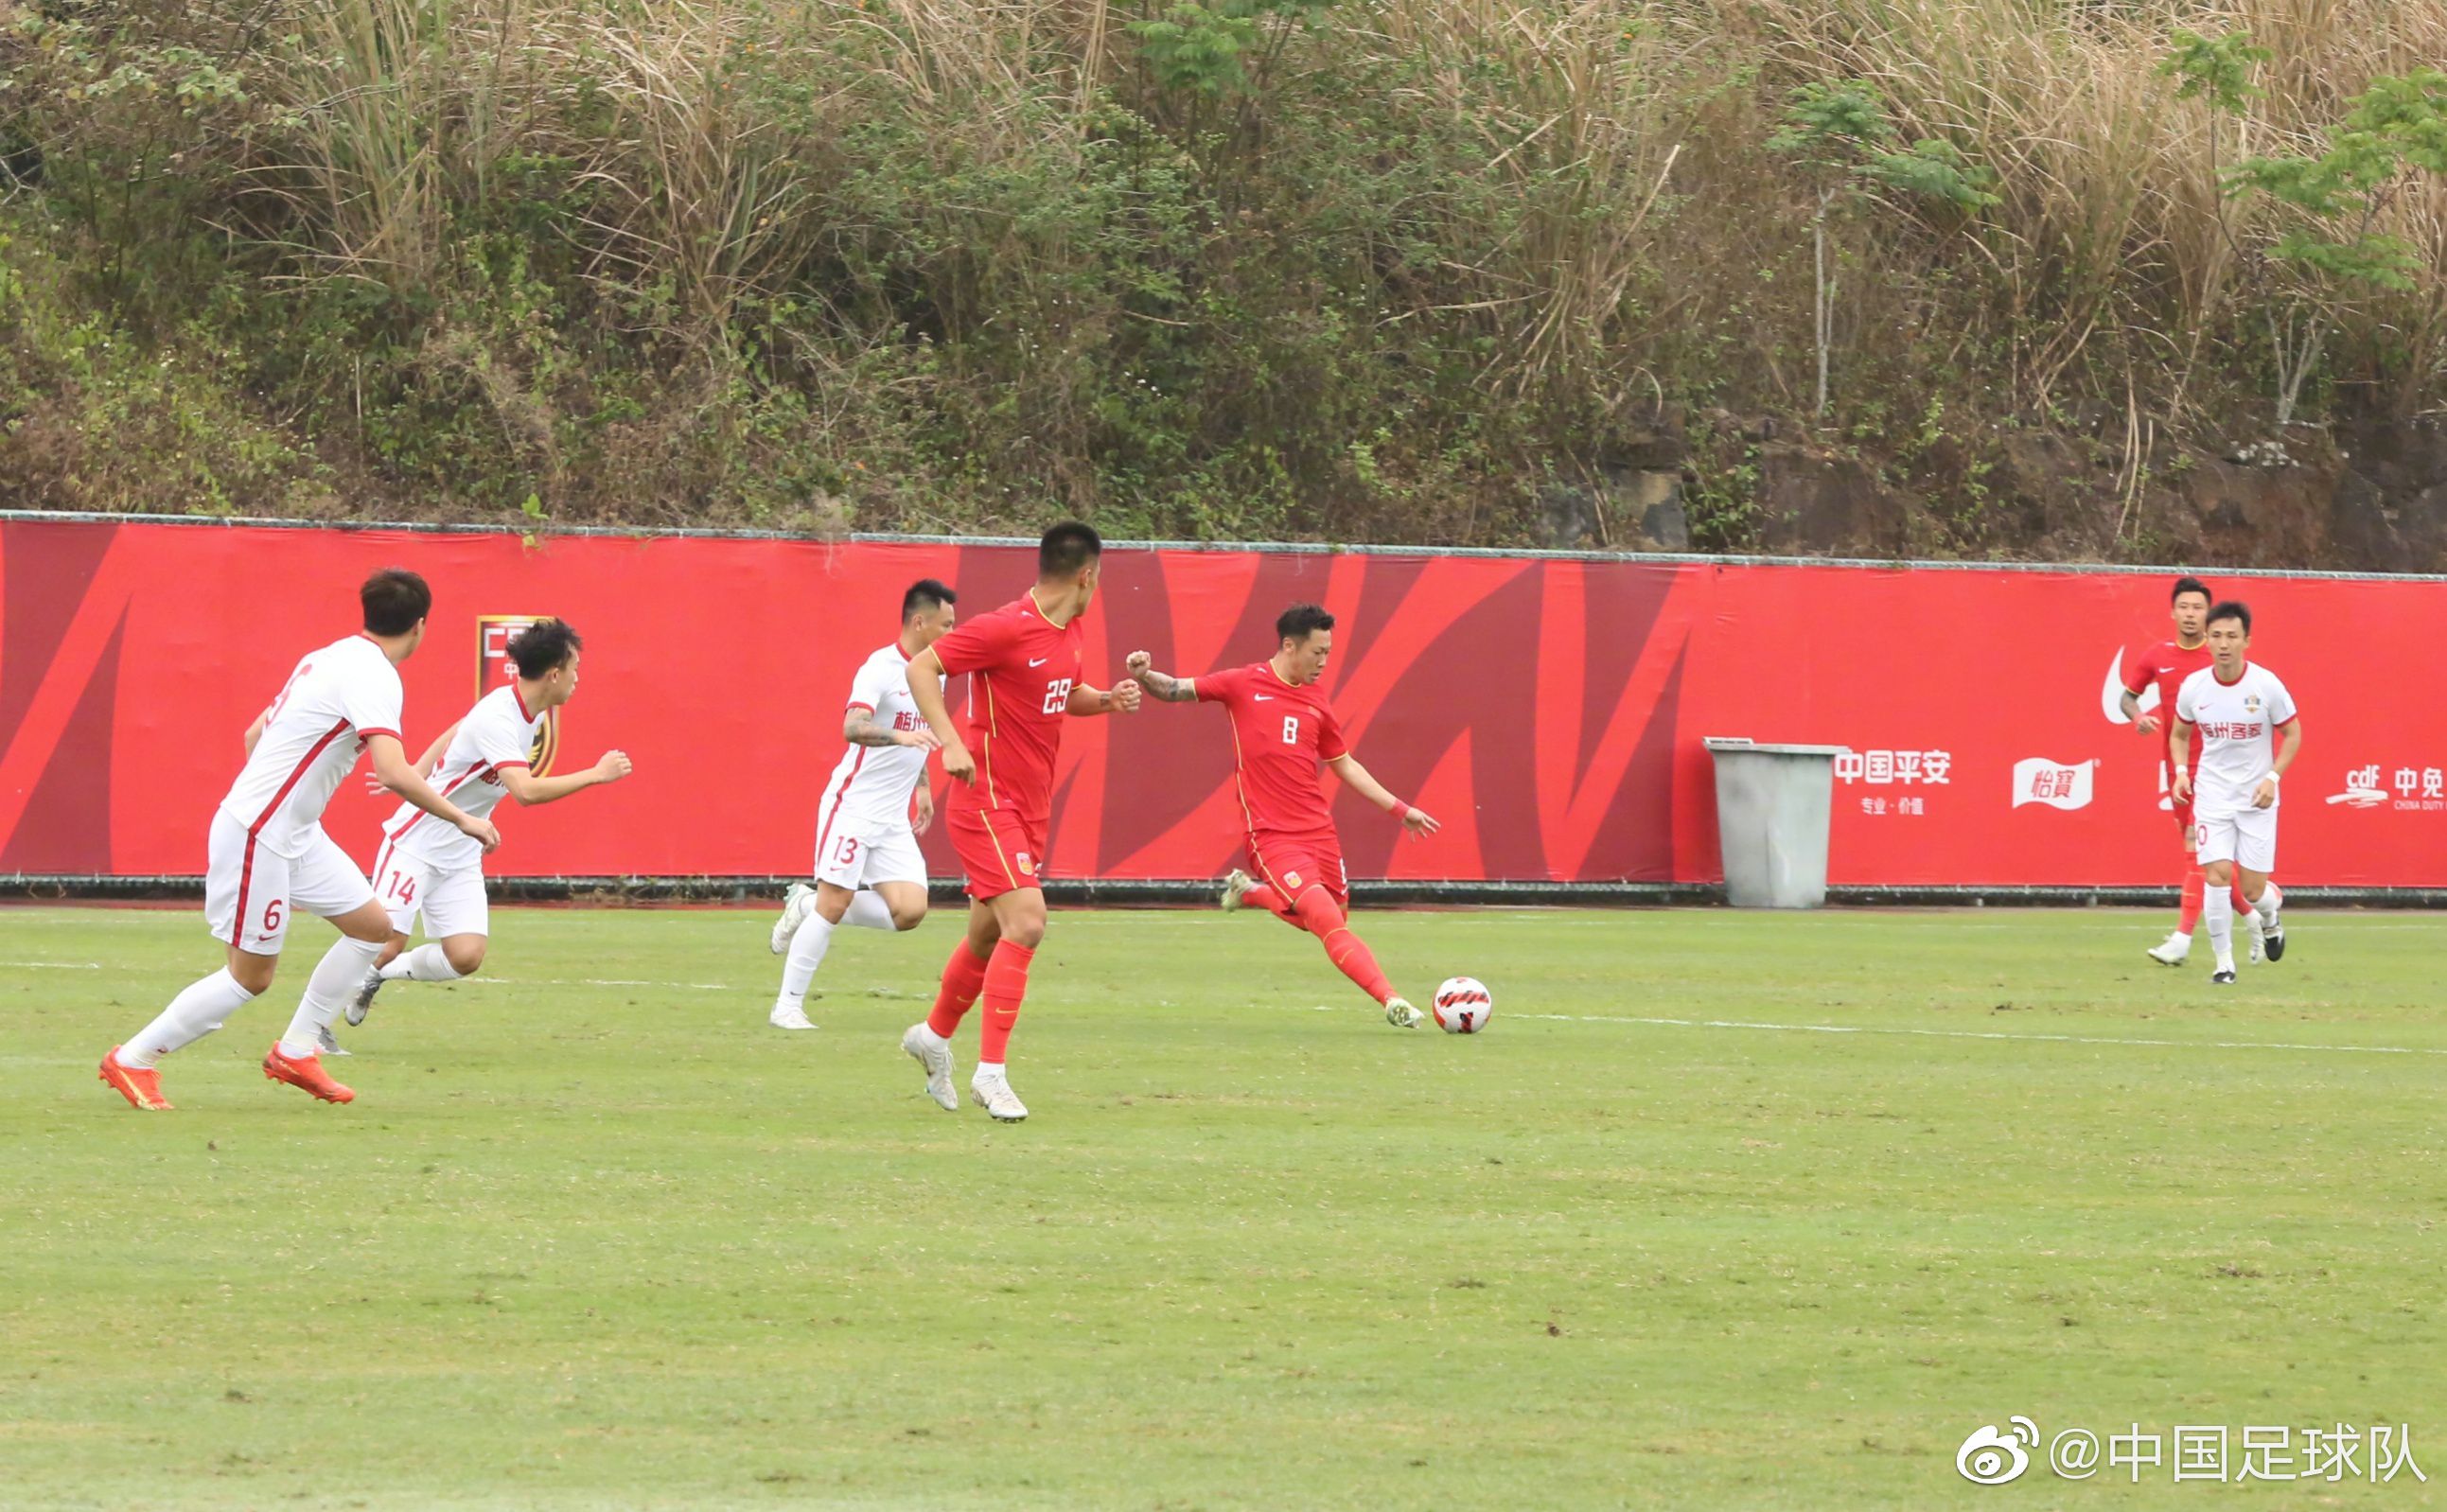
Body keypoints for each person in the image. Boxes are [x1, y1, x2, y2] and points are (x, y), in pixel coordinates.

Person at [97, 569, 501, 1110]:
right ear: (421, 626)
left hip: (294, 833)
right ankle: (134, 1060)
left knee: (373, 929)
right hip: (261, 832)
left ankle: (296, 1050)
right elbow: (396, 771)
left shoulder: (326, 656)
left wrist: (282, 806)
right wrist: (465, 820)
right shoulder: (376, 676)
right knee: (250, 977)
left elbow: (254, 735)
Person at [894, 524, 1140, 1121]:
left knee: (986, 935)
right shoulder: (1005, 626)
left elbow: (1063, 691)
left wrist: (1106, 699)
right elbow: (921, 670)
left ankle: (931, 1036)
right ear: (1086, 576)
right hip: (985, 801)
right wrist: (950, 744)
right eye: (1099, 578)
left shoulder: (1071, 631)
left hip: (1030, 809)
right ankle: (992, 1074)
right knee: (1028, 921)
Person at [1126, 604, 1439, 1027]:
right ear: (1290, 646)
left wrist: (1400, 809)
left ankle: (1249, 893)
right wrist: (1145, 675)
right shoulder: (1242, 683)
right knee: (1326, 921)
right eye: (1317, 652)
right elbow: (1175, 689)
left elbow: (1344, 763)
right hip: (1271, 836)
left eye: (1328, 652)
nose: (1324, 662)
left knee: (1332, 919)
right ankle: (1391, 999)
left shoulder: (1316, 700)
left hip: (1319, 831)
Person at [334, 618, 630, 1037]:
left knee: (466, 955)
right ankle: (313, 1029)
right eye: (575, 668)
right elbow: (524, 791)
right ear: (554, 674)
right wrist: (596, 774)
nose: (578, 679)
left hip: (460, 852)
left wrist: (414, 769)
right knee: (384, 941)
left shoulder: (521, 709)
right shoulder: (500, 715)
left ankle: (376, 978)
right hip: (416, 842)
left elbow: (459, 728)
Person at [765, 579, 957, 1030]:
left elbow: (922, 727)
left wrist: (923, 786)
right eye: (947, 625)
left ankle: (805, 906)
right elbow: (853, 727)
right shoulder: (881, 667)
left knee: (911, 910)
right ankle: (787, 1007)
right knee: (837, 901)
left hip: (891, 817)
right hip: (853, 806)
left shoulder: (936, 673)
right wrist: (900, 737)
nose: (954, 633)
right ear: (919, 621)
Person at [2121, 575, 2265, 965]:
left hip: (2218, 773)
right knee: (2210, 861)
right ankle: (2260, 914)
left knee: (2195, 852)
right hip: (2178, 769)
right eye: (2184, 607)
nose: (2190, 614)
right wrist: (2137, 717)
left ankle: (2182, 940)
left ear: (2209, 613)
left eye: (2198, 608)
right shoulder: (2157, 656)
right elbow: (2127, 697)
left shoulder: (2221, 659)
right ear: (2172, 612)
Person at [2171, 601, 2299, 984]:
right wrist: (2180, 772)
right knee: (2217, 874)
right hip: (2212, 795)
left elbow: (2293, 734)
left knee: (2254, 889)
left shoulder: (2266, 685)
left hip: (2257, 798)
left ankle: (2271, 919)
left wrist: (2273, 777)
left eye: (2232, 636)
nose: (2223, 644)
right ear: (2206, 641)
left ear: (2247, 640)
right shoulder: (2195, 687)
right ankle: (2224, 963)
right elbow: (2179, 734)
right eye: (2216, 636)